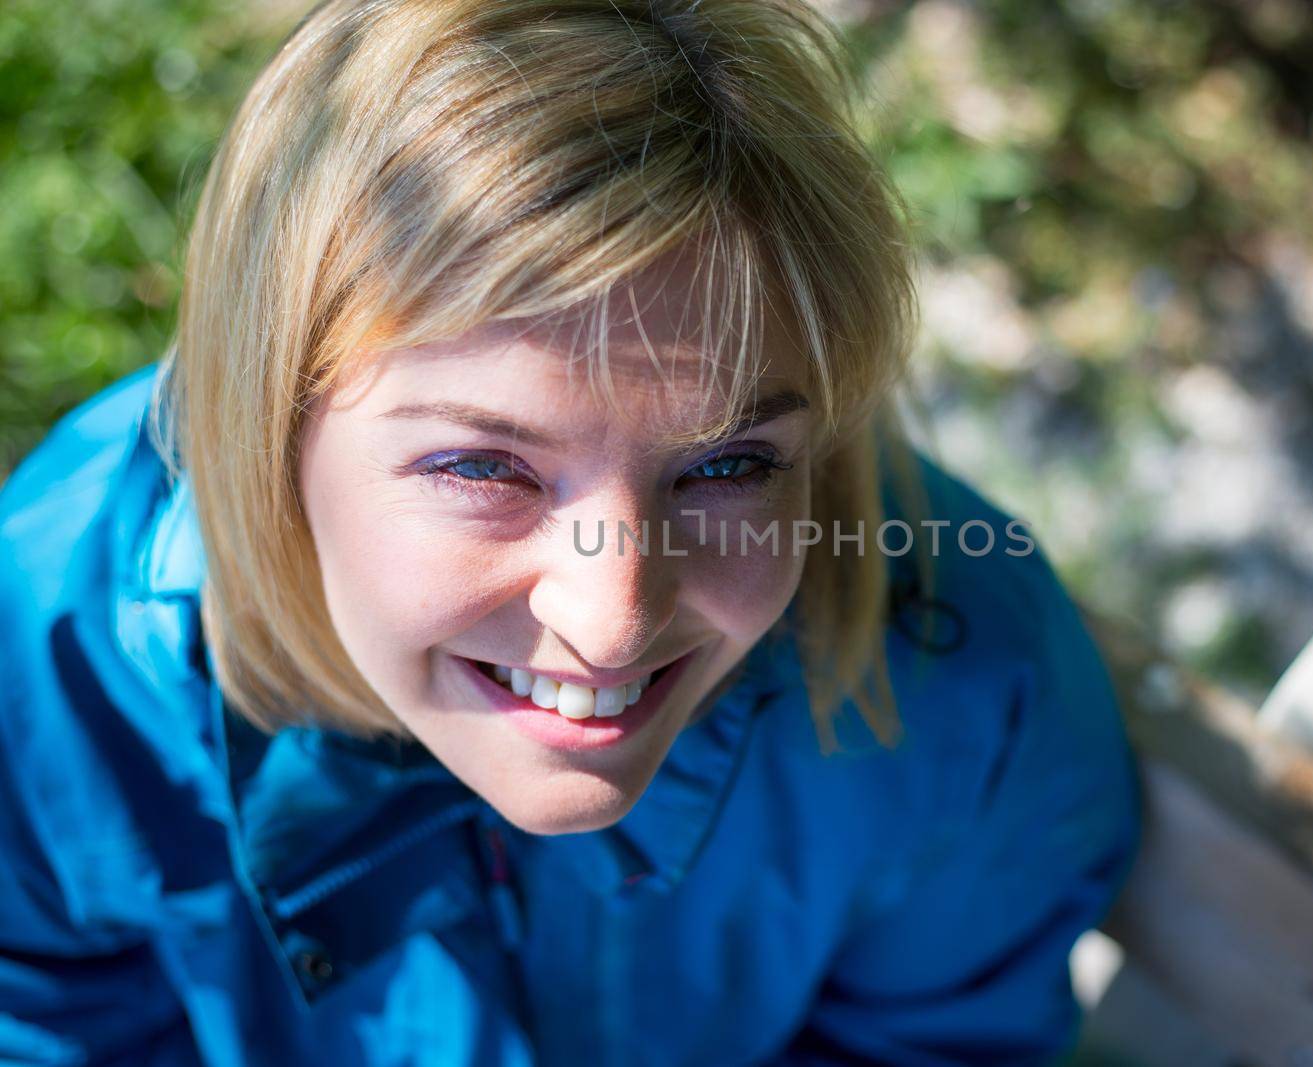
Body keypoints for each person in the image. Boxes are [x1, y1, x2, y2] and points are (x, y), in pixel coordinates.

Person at [0, 0, 1141, 1063]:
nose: (611, 620)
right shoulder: (50, 659)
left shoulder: (967, 692)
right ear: (269, 430)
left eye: (731, 465)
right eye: (482, 466)